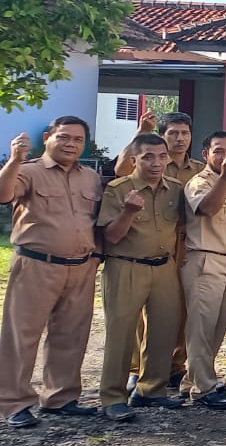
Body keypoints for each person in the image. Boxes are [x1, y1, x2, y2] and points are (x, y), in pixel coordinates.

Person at [0, 119, 102, 428]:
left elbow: (94, 220)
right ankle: (14, 402)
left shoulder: (91, 178)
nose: (71, 144)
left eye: (78, 139)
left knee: (71, 334)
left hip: (80, 266)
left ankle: (60, 397)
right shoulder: (29, 171)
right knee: (22, 335)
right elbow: (3, 195)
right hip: (36, 264)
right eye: (64, 137)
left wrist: (95, 257)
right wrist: (15, 159)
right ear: (47, 138)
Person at [96, 133, 186, 421]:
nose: (156, 162)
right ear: (134, 159)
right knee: (121, 333)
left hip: (164, 267)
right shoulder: (118, 189)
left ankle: (152, 391)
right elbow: (110, 237)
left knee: (163, 329)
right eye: (148, 156)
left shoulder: (175, 189)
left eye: (161, 156)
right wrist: (128, 212)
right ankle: (113, 396)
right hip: (126, 265)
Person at [181, 131, 226, 410]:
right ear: (206, 154)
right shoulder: (201, 182)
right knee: (201, 329)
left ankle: (193, 380)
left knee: (218, 328)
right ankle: (203, 388)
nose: (225, 156)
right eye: (218, 151)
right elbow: (207, 209)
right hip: (205, 259)